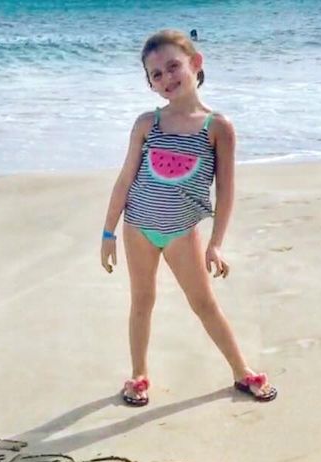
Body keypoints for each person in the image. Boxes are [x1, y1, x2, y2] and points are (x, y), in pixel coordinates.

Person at [100, 29, 277, 407]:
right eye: (156, 74)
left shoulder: (218, 128)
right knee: (141, 301)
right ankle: (139, 375)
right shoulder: (147, 124)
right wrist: (107, 232)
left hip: (182, 232)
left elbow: (226, 191)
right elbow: (125, 179)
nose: (166, 77)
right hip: (138, 228)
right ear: (150, 84)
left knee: (204, 304)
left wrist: (215, 244)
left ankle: (241, 371)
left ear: (195, 64)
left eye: (172, 66)